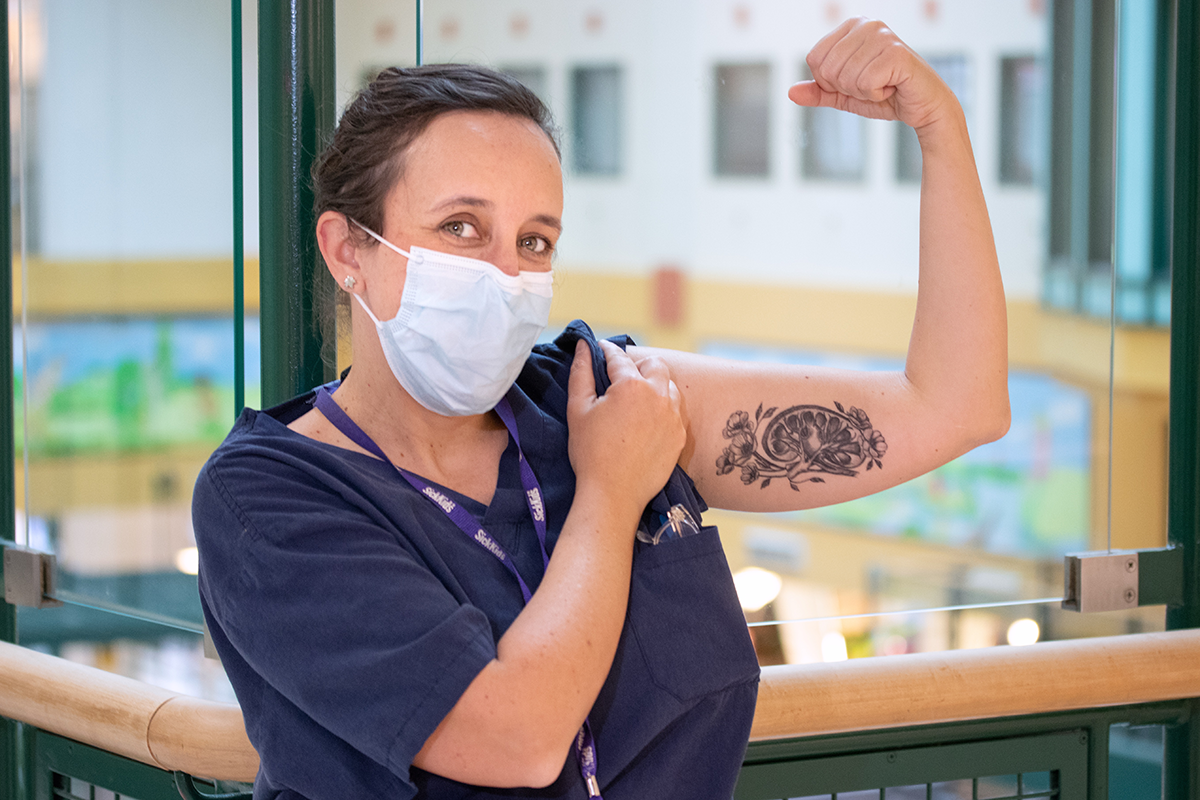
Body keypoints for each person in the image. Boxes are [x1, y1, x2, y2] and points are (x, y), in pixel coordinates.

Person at [192, 17, 1009, 800]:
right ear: (349, 252)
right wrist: (613, 493)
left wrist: (941, 130)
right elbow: (514, 739)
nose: (506, 274)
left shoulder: (607, 395)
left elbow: (953, 406)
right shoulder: (270, 498)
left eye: (535, 241)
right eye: (462, 228)